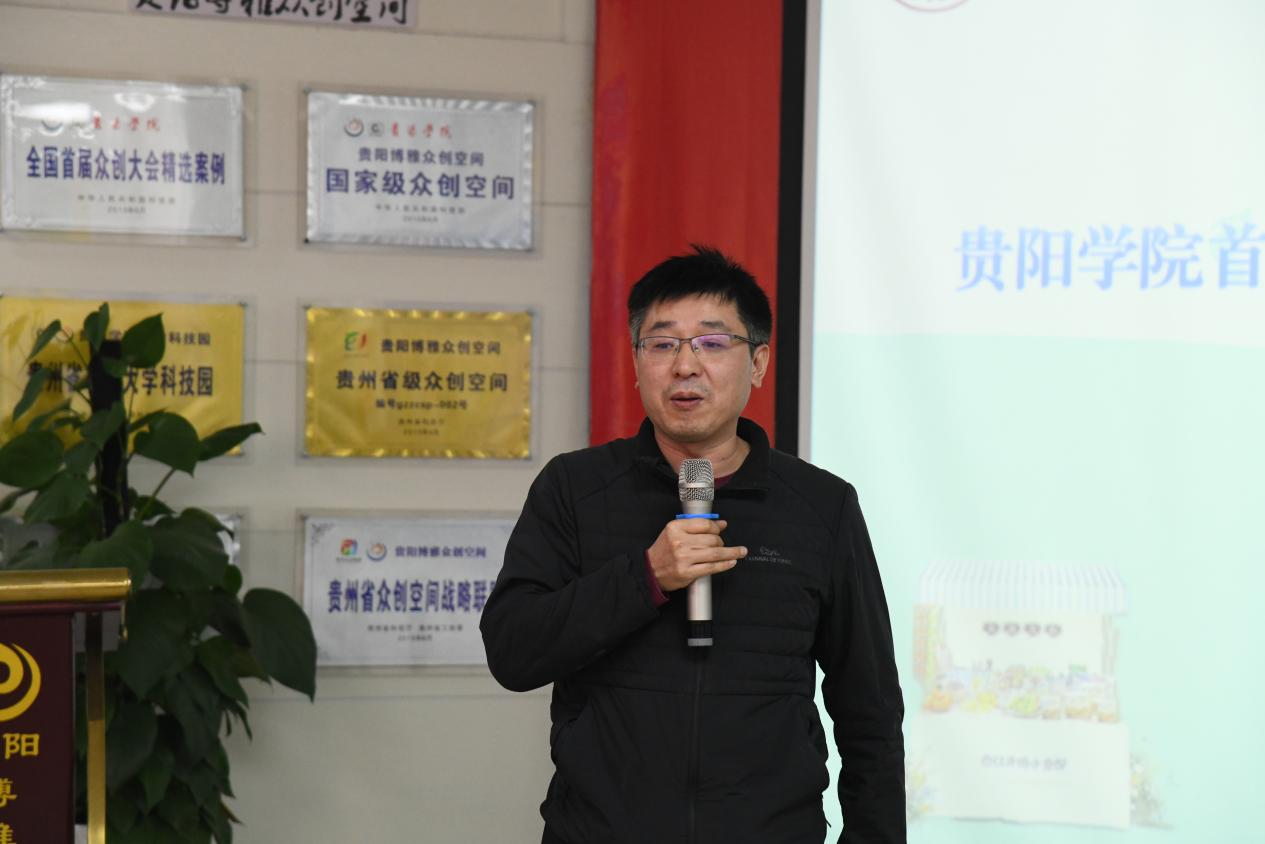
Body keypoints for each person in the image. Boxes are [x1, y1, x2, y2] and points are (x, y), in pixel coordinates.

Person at [481, 246, 905, 844]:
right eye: (662, 344)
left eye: (712, 342)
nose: (685, 365)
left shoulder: (821, 505)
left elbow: (870, 709)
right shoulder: (574, 489)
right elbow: (512, 652)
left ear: (758, 362)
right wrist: (645, 577)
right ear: (636, 364)